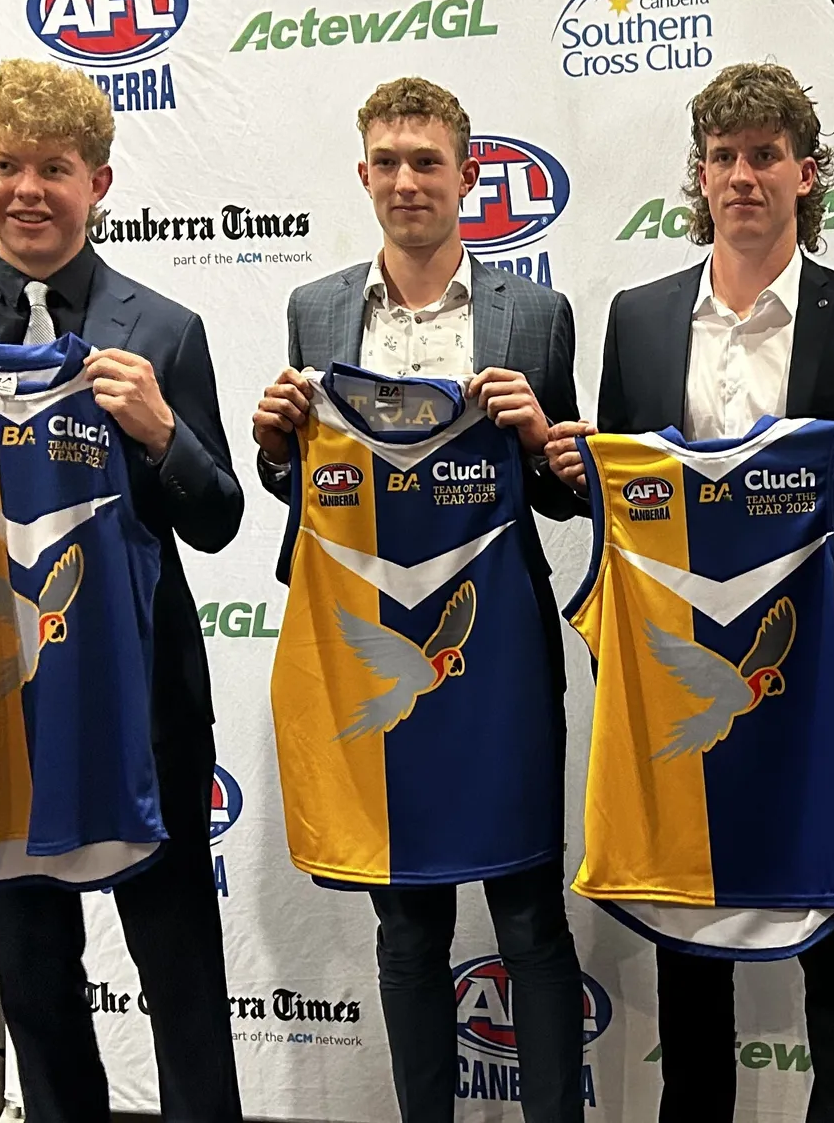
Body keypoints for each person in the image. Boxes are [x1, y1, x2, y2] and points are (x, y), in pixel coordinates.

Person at [0, 59, 244, 1122]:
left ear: (97, 183)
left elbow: (217, 517)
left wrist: (162, 432)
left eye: (54, 169)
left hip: (141, 703)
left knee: (180, 969)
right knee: (33, 978)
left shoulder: (162, 329)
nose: (28, 190)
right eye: (7, 165)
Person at [544, 61, 834, 1123]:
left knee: (833, 922)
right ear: (699, 176)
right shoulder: (640, 317)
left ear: (805, 173)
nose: (743, 175)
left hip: (818, 668)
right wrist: (579, 475)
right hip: (680, 670)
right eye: (723, 157)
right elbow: (623, 509)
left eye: (764, 155)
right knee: (687, 929)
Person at [247, 78, 585, 1123]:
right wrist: (274, 447)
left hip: (496, 649)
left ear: (467, 175)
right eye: (388, 163)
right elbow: (309, 485)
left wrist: (543, 438)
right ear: (363, 175)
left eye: (427, 162)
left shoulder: (535, 314)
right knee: (406, 927)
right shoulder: (316, 309)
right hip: (369, 648)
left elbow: (568, 492)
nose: (407, 182)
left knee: (529, 917)